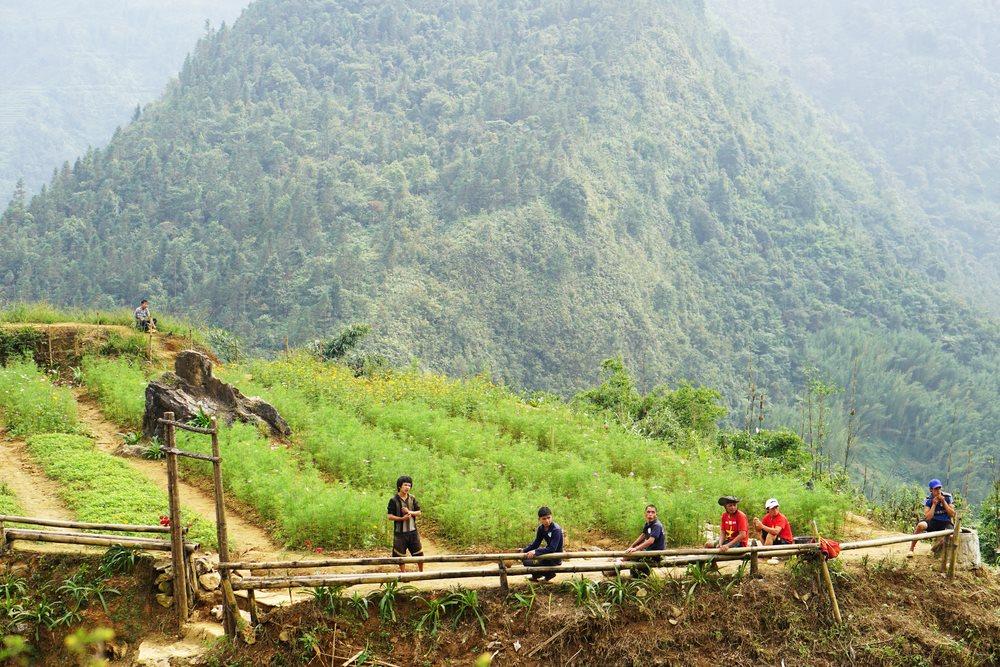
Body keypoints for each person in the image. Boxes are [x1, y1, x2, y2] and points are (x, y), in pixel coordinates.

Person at [907, 479, 955, 558]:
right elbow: (928, 517)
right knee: (920, 525)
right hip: (933, 521)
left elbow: (952, 514)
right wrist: (934, 504)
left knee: (951, 536)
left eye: (939, 488)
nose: (938, 491)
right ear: (931, 490)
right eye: (936, 489)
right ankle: (911, 549)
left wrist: (944, 502)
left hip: (945, 522)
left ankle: (940, 552)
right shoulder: (928, 499)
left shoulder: (947, 497)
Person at [387, 475, 424, 572]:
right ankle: (403, 574)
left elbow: (419, 513)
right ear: (400, 486)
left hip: (412, 531)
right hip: (399, 533)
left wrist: (410, 512)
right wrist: (401, 518)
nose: (407, 487)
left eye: (409, 485)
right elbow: (389, 516)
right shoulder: (393, 500)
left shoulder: (412, 498)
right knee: (400, 555)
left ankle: (421, 573)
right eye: (405, 485)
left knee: (419, 553)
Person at [521, 506, 564, 582]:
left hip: (554, 558)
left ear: (551, 517)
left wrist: (535, 552)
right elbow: (536, 543)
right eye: (544, 519)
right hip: (546, 557)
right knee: (526, 561)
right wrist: (524, 550)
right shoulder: (541, 528)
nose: (547, 521)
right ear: (539, 519)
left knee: (531, 561)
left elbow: (552, 548)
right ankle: (536, 575)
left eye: (548, 518)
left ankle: (549, 574)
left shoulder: (556, 529)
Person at [622, 504, 666, 577]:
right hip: (649, 552)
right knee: (628, 554)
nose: (650, 514)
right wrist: (632, 546)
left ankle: (638, 576)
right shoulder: (648, 523)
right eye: (648, 512)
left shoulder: (656, 525)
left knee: (630, 555)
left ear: (656, 514)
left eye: (653, 512)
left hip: (656, 554)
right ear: (645, 513)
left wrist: (635, 549)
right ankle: (634, 574)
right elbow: (643, 535)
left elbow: (650, 541)